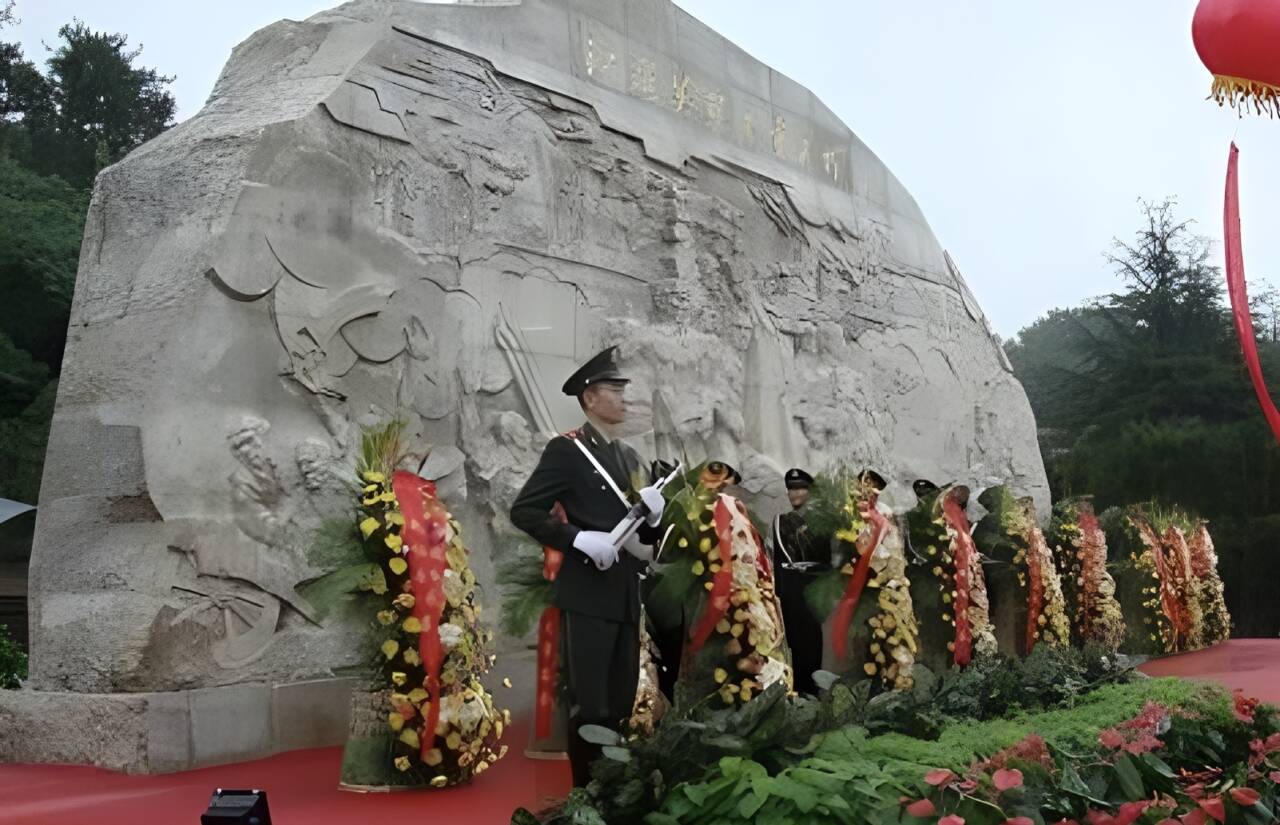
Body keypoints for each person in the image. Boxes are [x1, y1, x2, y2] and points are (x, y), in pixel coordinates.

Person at [509, 345, 666, 786]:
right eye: (614, 389)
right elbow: (525, 511)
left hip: (625, 592)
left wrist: (655, 519)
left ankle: (612, 791)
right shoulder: (567, 450)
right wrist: (577, 538)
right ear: (590, 397)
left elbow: (642, 540)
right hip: (587, 594)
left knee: (620, 701)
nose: (624, 398)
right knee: (590, 703)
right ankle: (587, 792)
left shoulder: (628, 457)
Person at [770, 468, 828, 694]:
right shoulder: (780, 522)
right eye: (791, 489)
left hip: (813, 595)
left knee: (812, 647)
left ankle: (812, 694)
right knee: (792, 647)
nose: (794, 493)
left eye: (800, 488)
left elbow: (826, 562)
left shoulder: (821, 522)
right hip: (790, 596)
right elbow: (779, 563)